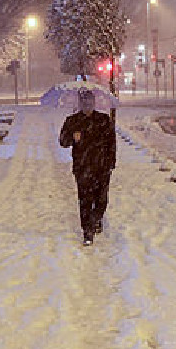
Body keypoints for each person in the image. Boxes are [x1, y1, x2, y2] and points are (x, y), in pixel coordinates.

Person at [58, 88, 117, 246]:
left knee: (101, 199)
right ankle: (87, 231)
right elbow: (62, 142)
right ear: (80, 103)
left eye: (90, 102)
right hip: (82, 167)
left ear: (94, 102)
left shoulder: (103, 119)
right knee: (85, 200)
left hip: (102, 167)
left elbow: (112, 142)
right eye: (84, 102)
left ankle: (96, 219)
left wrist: (111, 163)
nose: (87, 105)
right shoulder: (72, 121)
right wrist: (72, 137)